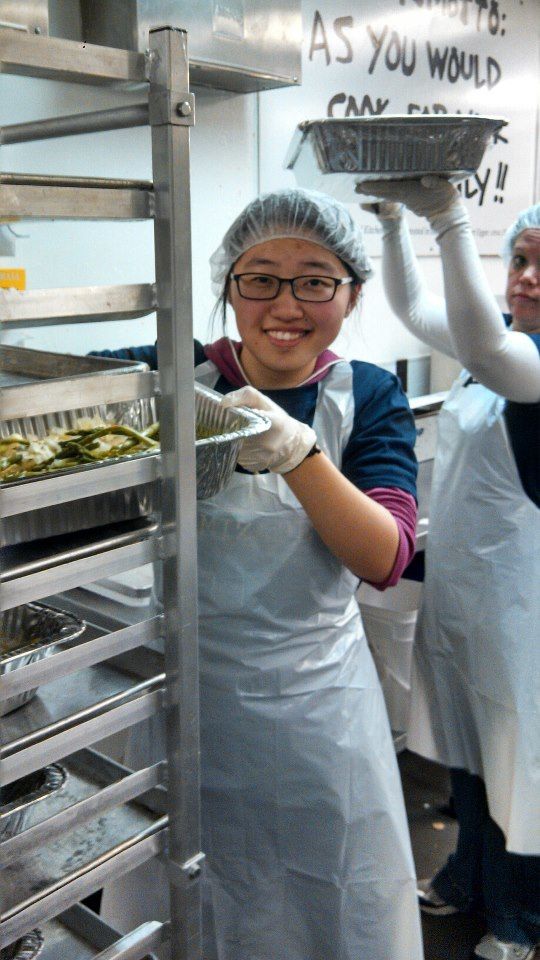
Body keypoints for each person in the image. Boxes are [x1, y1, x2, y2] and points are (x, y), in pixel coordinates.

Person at [95, 187, 424, 960]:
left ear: (353, 293)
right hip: (183, 705)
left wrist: (297, 451)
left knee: (326, 902)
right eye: (260, 278)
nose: (286, 303)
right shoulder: (168, 374)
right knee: (186, 909)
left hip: (317, 714)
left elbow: (384, 556)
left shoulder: (366, 395)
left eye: (315, 279)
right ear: (228, 287)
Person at [359, 178, 540, 960]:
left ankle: (519, 919)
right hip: (471, 596)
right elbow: (419, 315)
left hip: (524, 612)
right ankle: (470, 875)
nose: (526, 277)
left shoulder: (524, 364)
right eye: (522, 258)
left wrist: (449, 216)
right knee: (469, 753)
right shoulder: (492, 346)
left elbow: (487, 348)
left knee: (519, 769)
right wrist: (396, 224)